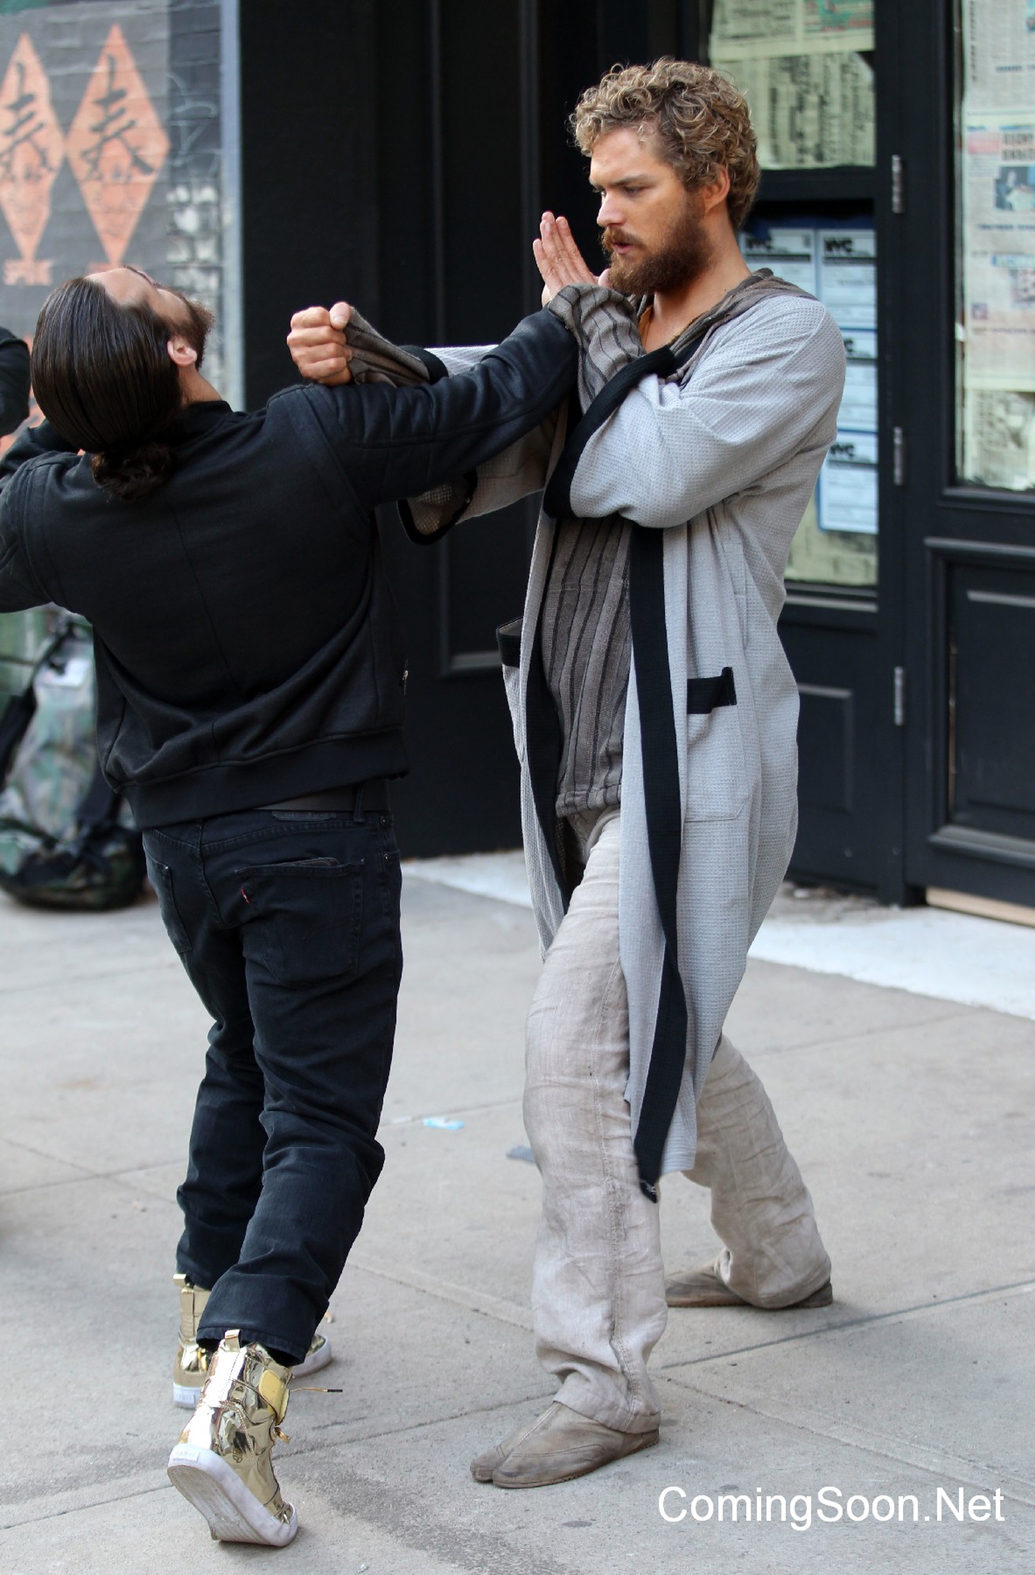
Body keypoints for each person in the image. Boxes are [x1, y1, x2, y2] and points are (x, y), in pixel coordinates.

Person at [288, 58, 845, 1491]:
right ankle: (778, 1253)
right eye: (594, 187)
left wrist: (570, 329)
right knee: (668, 1010)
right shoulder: (609, 318)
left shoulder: (785, 338)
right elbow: (498, 411)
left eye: (630, 188)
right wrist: (379, 363)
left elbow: (644, 464)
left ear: (715, 184)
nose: (602, 216)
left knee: (574, 1043)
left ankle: (600, 1375)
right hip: (579, 742)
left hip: (692, 747)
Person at [0, 264, 582, 1544]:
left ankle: (206, 1313)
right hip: (317, 839)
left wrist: (52, 421)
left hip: (187, 855)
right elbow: (503, 399)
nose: (147, 267)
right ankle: (238, 1397)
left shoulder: (54, 511)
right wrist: (569, 300)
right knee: (322, 1125)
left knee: (245, 1056)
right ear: (174, 352)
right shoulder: (312, 440)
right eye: (140, 286)